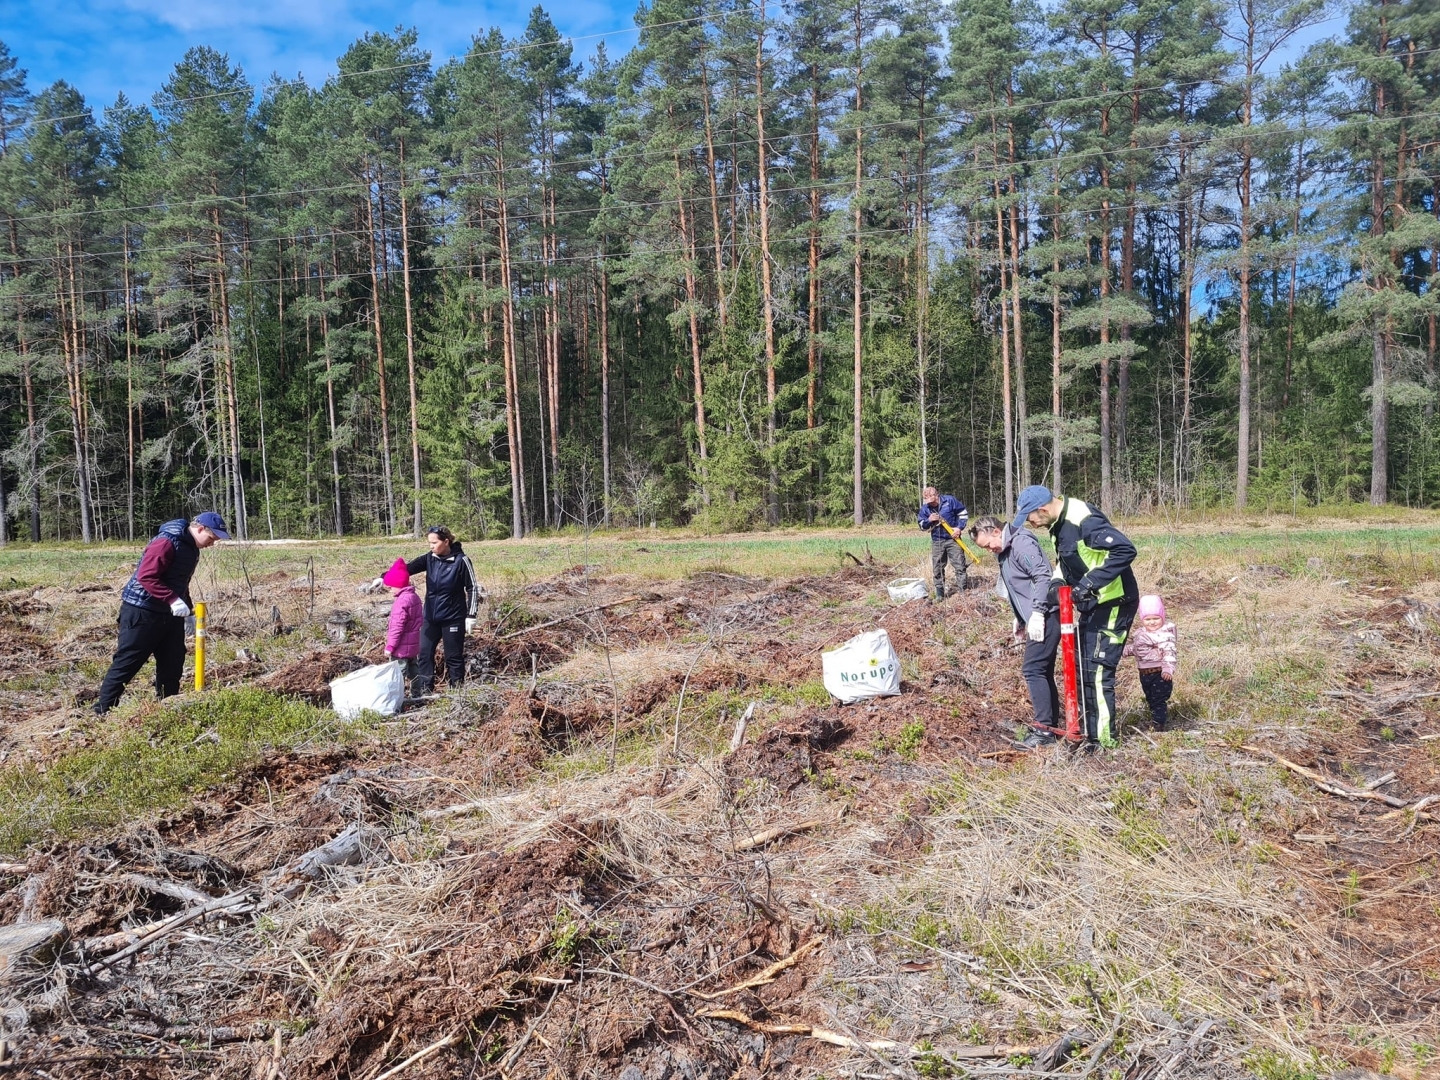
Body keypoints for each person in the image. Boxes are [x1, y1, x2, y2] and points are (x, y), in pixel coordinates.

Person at [1013, 484, 1138, 747]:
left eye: (1031, 518)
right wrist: (1058, 585)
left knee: (1097, 671)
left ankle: (1103, 743)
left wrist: (1088, 584)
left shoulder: (1083, 519)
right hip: (1092, 605)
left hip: (1114, 602)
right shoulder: (1056, 524)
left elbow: (1125, 550)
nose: (1031, 524)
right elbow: (1065, 561)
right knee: (1083, 669)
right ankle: (1089, 732)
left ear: (1042, 509)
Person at [93, 512, 230, 715]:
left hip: (169, 614)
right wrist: (173, 600)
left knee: (173, 662)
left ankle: (167, 709)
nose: (212, 544)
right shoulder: (166, 542)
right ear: (200, 529)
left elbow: (180, 582)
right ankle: (102, 711)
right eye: (211, 539)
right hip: (141, 611)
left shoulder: (192, 549)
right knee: (128, 662)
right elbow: (146, 577)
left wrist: (188, 611)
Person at [968, 515, 1061, 748]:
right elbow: (1017, 586)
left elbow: (1042, 576)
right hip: (1035, 616)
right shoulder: (1005, 550)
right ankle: (1049, 727)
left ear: (996, 531)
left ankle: (1044, 731)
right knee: (1042, 671)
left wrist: (1038, 613)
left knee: (1033, 669)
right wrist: (1020, 618)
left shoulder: (1021, 543)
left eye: (988, 544)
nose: (989, 550)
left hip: (1047, 615)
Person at [373, 526, 480, 696]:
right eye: (429, 543)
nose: (431, 546)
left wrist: (471, 615)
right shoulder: (430, 558)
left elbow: (472, 587)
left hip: (453, 617)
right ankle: (424, 691)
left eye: (434, 542)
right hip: (430, 616)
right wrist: (384, 577)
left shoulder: (461, 560)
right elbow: (407, 568)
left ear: (446, 542)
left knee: (453, 656)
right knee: (424, 654)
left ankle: (457, 693)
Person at [1124, 594, 1177, 731]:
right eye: (1148, 619)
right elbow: (1136, 649)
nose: (1152, 622)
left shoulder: (1164, 635)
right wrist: (1121, 651)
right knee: (1150, 698)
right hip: (1144, 673)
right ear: (1142, 619)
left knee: (1158, 700)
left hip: (1159, 673)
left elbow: (1169, 654)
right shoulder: (1141, 634)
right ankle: (1155, 719)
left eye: (1156, 618)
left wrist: (1167, 669)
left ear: (1162, 618)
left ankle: (1158, 724)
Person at [917, 486, 969, 599]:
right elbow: (921, 525)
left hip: (953, 539)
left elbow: (963, 513)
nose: (931, 503)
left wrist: (959, 528)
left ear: (937, 495)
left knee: (960, 566)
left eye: (933, 500)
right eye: (928, 501)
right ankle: (940, 595)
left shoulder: (950, 501)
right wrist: (928, 520)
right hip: (937, 541)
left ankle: (963, 592)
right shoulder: (925, 508)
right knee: (937, 568)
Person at [381, 557, 423, 689]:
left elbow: (397, 627)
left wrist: (390, 647)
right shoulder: (414, 597)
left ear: (397, 584)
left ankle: (398, 699)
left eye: (391, 586)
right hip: (414, 646)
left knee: (399, 674)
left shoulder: (401, 602)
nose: (390, 590)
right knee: (414, 671)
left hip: (400, 648)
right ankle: (417, 695)